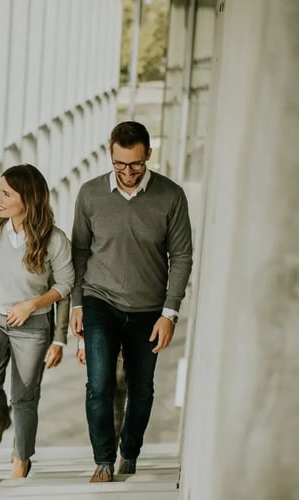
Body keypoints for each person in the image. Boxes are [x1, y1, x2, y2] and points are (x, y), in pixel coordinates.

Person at [70, 121, 193, 483]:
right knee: (99, 383)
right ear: (110, 154)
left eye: (135, 164)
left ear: (148, 156)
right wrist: (76, 304)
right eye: (120, 164)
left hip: (148, 309)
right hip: (99, 301)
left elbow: (182, 256)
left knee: (142, 388)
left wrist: (169, 313)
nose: (127, 172)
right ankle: (104, 460)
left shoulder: (171, 196)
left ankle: (131, 453)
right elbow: (78, 252)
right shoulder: (90, 194)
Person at [0, 164, 74, 486]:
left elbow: (65, 284)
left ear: (28, 199)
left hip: (31, 325)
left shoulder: (54, 239)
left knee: (24, 397)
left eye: (6, 193)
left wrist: (32, 305)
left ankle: (21, 458)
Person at [0, 293, 71, 447]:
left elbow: (63, 292)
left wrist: (59, 338)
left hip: (38, 323)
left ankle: (21, 446)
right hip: (0, 320)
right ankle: (1, 416)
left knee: (28, 389)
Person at [77, 343, 126, 448]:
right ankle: (106, 456)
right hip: (101, 338)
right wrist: (83, 344)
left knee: (120, 392)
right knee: (99, 391)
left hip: (128, 338)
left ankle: (112, 452)